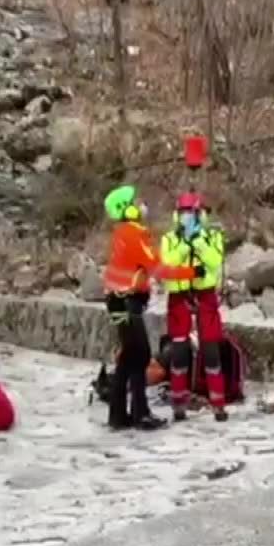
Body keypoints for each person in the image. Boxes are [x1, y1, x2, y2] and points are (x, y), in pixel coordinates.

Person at [101, 184, 202, 431]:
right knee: (140, 355)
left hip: (116, 300)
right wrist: (191, 272)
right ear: (126, 209)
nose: (140, 204)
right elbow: (157, 269)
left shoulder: (120, 233)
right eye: (135, 202)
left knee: (128, 357)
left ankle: (119, 415)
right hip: (127, 301)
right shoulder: (134, 234)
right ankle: (140, 414)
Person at [159, 191, 229, 422]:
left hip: (205, 298)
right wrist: (184, 246)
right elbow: (168, 263)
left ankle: (218, 404)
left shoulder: (212, 237)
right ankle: (179, 404)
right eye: (183, 213)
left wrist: (197, 241)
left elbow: (215, 261)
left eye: (191, 213)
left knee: (211, 351)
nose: (187, 217)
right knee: (179, 353)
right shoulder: (169, 239)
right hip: (179, 299)